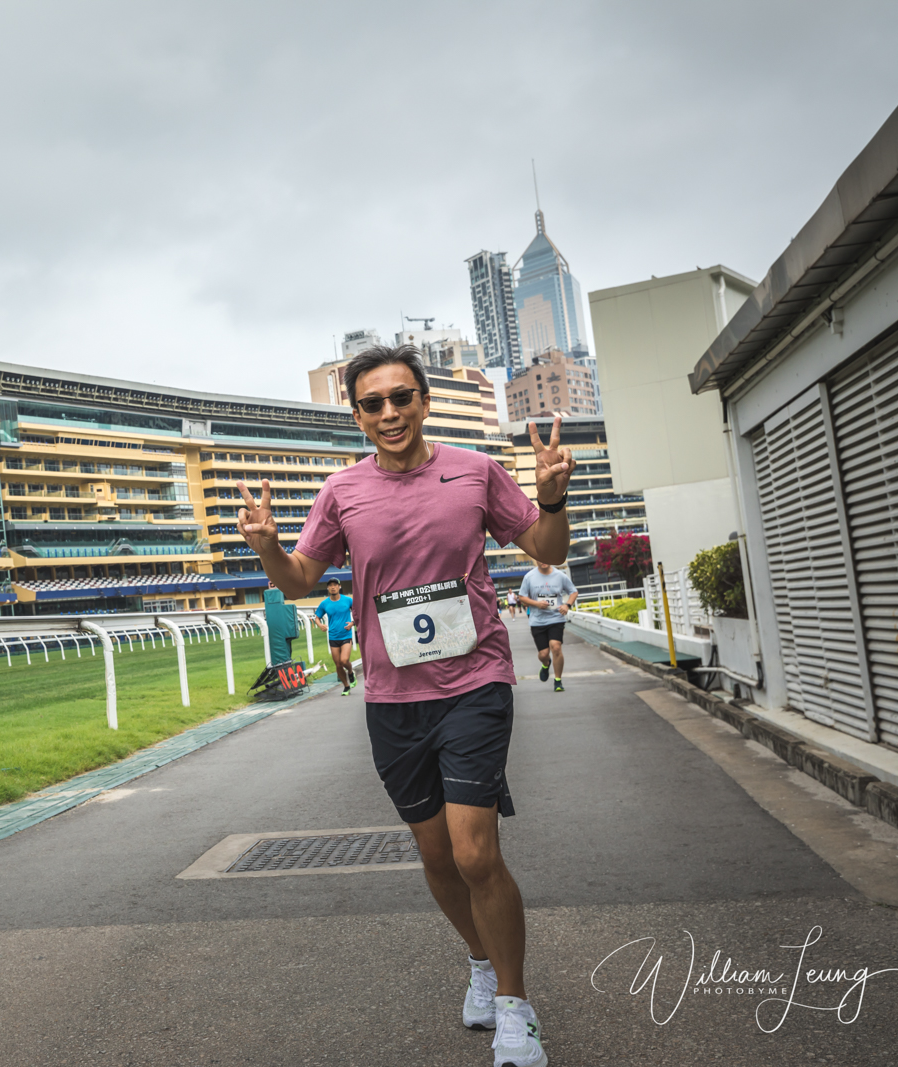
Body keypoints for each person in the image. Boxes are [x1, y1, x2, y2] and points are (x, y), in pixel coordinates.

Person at [237, 344, 573, 1067]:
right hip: (393, 697)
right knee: (437, 855)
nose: (389, 412)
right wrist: (267, 547)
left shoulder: (475, 470)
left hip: (475, 682)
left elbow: (545, 544)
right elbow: (299, 579)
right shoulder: (342, 492)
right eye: (373, 403)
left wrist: (551, 498)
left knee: (475, 849)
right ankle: (481, 960)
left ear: (424, 400)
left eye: (401, 397)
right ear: (358, 416)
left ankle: (514, 1006)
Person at [517, 562, 577, 693]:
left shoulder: (560, 575)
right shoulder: (529, 577)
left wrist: (567, 605)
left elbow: (573, 592)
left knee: (556, 647)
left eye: (546, 558)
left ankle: (558, 681)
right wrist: (537, 604)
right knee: (543, 654)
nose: (543, 561)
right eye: (540, 559)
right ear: (535, 560)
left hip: (556, 618)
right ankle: (546, 664)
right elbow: (522, 597)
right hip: (537, 621)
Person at [314, 577, 357, 693]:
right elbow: (317, 618)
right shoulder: (324, 603)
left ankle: (350, 672)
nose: (333, 587)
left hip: (346, 635)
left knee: (344, 660)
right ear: (328, 588)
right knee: (338, 665)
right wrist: (320, 625)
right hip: (333, 636)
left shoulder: (348, 600)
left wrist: (352, 623)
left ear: (339, 586)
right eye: (330, 585)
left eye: (335, 585)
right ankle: (346, 686)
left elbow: (358, 613)